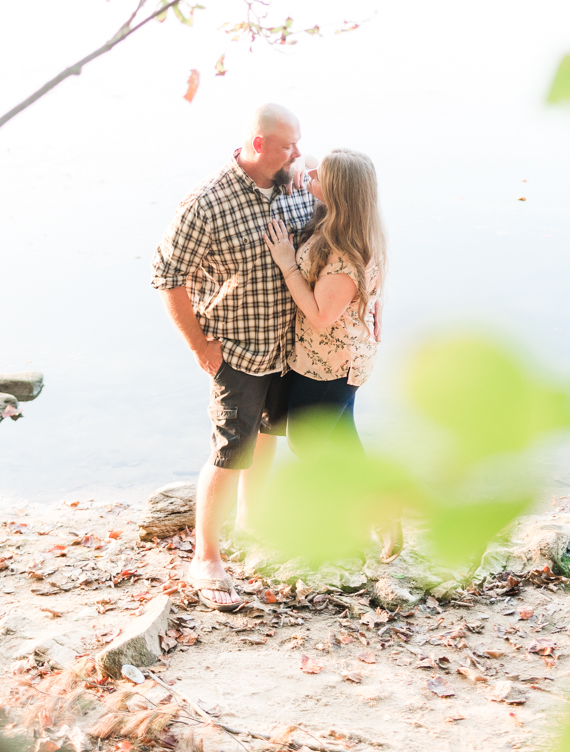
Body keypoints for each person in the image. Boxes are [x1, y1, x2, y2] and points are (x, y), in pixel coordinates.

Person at [151, 103, 315, 610]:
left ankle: (252, 521)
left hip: (287, 347)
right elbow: (166, 276)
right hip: (237, 351)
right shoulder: (206, 203)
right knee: (230, 450)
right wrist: (200, 345)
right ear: (260, 144)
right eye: (289, 145)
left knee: (267, 435)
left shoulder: (292, 187)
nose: (298, 153)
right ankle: (206, 556)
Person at [262, 148, 401, 560]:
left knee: (307, 442)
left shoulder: (345, 255)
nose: (308, 176)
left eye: (318, 175)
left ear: (338, 192)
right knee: (341, 436)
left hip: (333, 361)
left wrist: (287, 262)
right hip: (325, 354)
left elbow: (322, 316)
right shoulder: (341, 223)